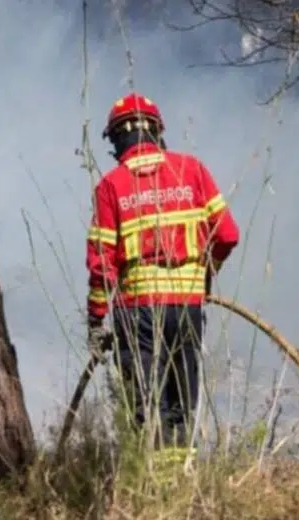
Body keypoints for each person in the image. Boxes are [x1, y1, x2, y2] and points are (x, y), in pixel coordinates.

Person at [85, 92, 239, 477]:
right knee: (180, 401)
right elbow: (228, 235)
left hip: (137, 313)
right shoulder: (193, 170)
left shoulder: (111, 185)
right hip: (187, 307)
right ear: (157, 131)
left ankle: (147, 481)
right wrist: (205, 274)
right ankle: (179, 480)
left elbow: (102, 263)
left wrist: (95, 318)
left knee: (141, 404)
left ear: (117, 138)